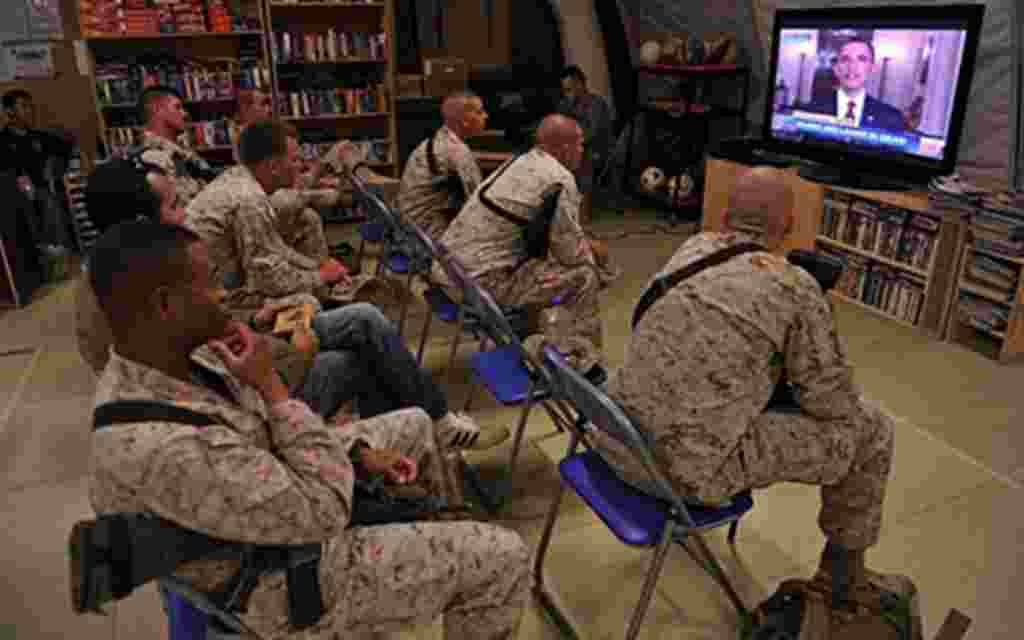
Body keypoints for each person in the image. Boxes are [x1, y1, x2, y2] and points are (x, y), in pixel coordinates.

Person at [87, 221, 530, 640]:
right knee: (503, 558)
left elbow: (264, 443)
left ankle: (429, 537)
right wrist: (272, 386)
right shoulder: (159, 445)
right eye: (208, 283)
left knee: (414, 423)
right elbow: (322, 510)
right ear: (166, 306)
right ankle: (446, 562)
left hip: (273, 516)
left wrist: (356, 453)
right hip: (277, 584)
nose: (222, 294)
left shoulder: (178, 360)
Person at [600, 166, 911, 635]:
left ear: (725, 215)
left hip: (617, 440)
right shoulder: (794, 286)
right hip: (681, 475)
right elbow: (832, 403)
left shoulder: (693, 249)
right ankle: (844, 580)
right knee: (872, 429)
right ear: (787, 227)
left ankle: (844, 577)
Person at [434, 114, 610, 374]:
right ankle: (581, 365)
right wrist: (597, 255)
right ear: (564, 147)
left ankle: (533, 341)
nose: (583, 151)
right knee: (585, 275)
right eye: (580, 144)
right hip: (477, 286)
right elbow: (571, 253)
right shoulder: (559, 178)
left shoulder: (521, 161)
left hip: (448, 270)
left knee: (544, 269)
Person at [397, 91, 487, 242]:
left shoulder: (436, 140)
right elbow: (478, 202)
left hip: (407, 225)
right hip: (426, 235)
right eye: (480, 112)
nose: (485, 116)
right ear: (465, 120)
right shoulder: (458, 152)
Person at [134, 85, 218, 206]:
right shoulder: (153, 157)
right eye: (177, 107)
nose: (185, 114)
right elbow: (185, 206)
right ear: (157, 109)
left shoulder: (180, 152)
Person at [799, 38, 906, 132]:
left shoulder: (892, 118)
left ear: (872, 68)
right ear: (836, 68)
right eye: (845, 59)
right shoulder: (811, 110)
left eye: (861, 59)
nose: (852, 67)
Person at [556, 66, 614, 225]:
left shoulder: (596, 104)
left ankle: (583, 213)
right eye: (564, 90)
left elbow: (591, 134)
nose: (566, 94)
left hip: (597, 150)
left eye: (569, 89)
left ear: (580, 85)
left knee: (583, 160)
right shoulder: (565, 105)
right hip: (573, 148)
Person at [0, 89, 73, 194]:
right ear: (9, 111)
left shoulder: (40, 137)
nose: (30, 111)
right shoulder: (3, 142)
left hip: (49, 194)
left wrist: (55, 166)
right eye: (24, 106)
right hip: (19, 200)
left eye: (31, 107)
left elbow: (68, 149)